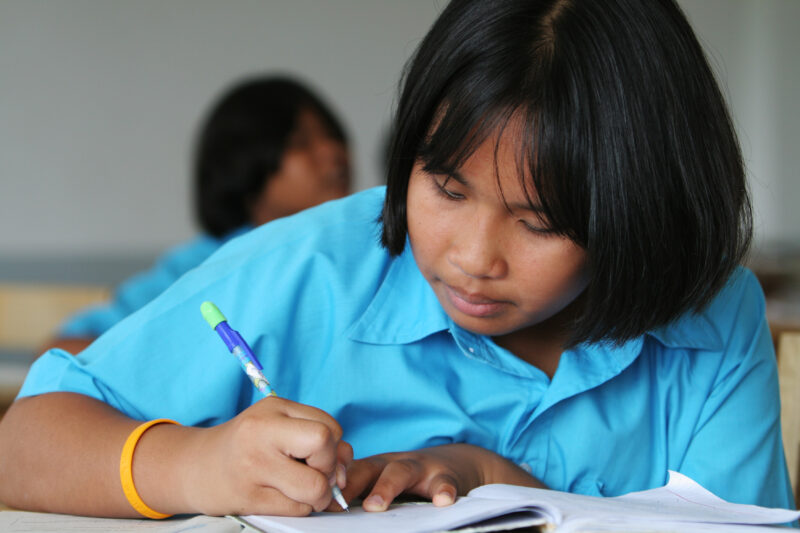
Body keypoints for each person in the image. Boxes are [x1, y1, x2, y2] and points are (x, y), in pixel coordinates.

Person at [0, 0, 793, 520]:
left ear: (642, 214)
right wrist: (197, 463)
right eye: (445, 187)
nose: (473, 257)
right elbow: (24, 442)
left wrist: (490, 478)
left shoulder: (714, 314)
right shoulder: (314, 267)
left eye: (541, 222)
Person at [45, 75, 351, 355]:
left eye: (333, 135)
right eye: (300, 142)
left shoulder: (363, 253)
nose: (333, 151)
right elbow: (65, 349)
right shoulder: (202, 267)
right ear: (244, 167)